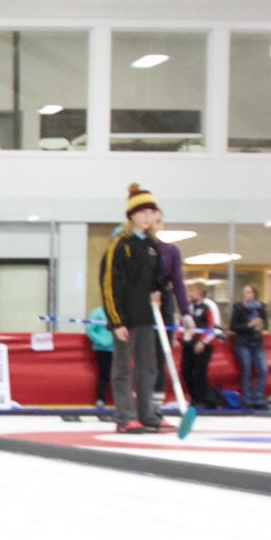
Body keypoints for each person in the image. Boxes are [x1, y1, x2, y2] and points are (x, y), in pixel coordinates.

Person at [102, 184, 167, 434]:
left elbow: (156, 280)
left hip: (146, 318)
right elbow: (109, 285)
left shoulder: (152, 246)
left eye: (152, 212)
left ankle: (146, 413)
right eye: (143, 212)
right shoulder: (121, 245)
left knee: (148, 367)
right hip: (125, 320)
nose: (148, 217)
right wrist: (116, 321)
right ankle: (125, 416)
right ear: (132, 215)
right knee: (122, 368)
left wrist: (160, 289)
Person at [181, 281, 223, 409]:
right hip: (190, 343)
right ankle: (194, 397)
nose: (189, 294)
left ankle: (201, 399)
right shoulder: (189, 306)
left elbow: (215, 326)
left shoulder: (209, 305)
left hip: (205, 344)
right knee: (185, 370)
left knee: (199, 371)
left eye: (192, 291)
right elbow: (183, 323)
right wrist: (181, 337)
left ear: (200, 292)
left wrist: (203, 342)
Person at [229, 283, 270, 409]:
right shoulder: (238, 307)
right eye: (245, 292)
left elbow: (266, 324)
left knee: (263, 369)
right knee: (246, 368)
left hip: (256, 342)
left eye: (250, 292)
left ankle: (258, 395)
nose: (247, 295)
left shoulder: (260, 307)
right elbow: (233, 326)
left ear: (254, 294)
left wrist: (261, 325)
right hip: (242, 342)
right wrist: (249, 325)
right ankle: (246, 397)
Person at [85, 305, 113, 408]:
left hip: (118, 350)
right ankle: (100, 399)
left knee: (118, 376)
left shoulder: (119, 312)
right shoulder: (97, 313)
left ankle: (120, 401)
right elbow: (90, 330)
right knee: (104, 375)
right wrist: (101, 341)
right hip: (102, 349)